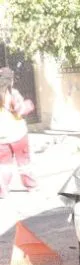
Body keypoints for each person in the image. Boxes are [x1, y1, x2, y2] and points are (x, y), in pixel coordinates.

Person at [0, 67, 36, 198]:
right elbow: (19, 110)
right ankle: (30, 186)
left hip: (1, 139)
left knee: (4, 165)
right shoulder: (13, 93)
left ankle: (3, 191)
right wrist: (28, 105)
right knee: (24, 162)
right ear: (11, 80)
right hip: (18, 134)